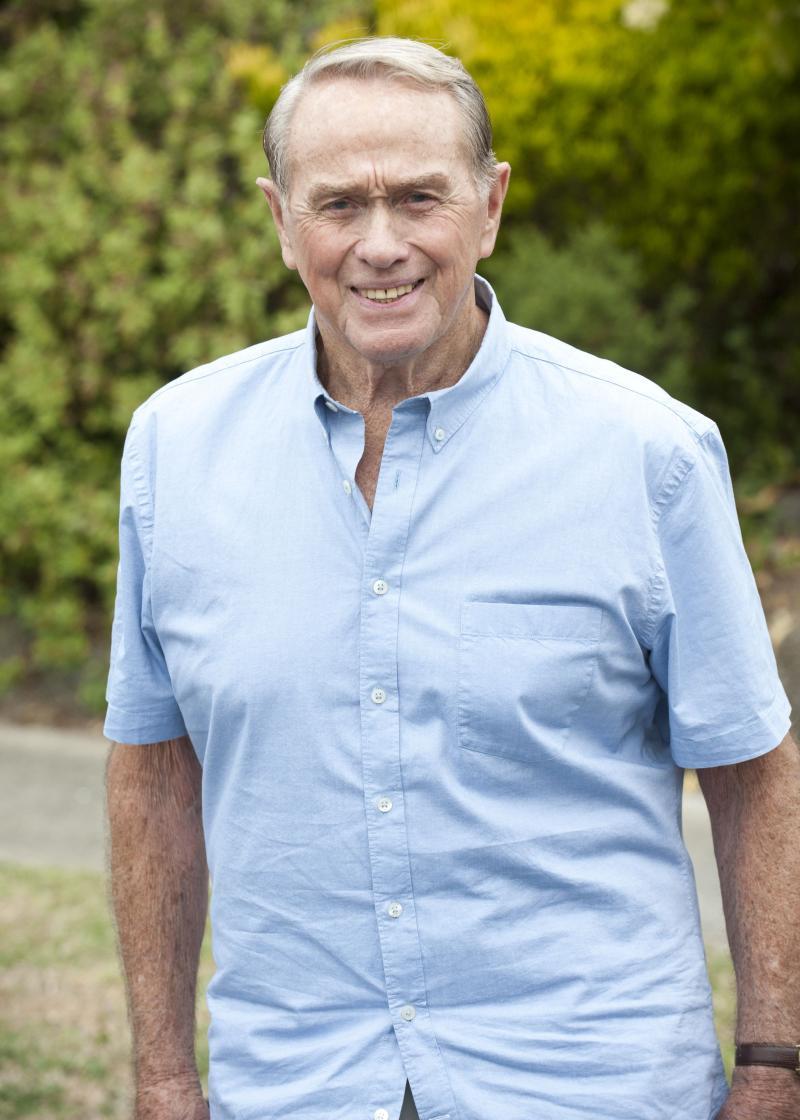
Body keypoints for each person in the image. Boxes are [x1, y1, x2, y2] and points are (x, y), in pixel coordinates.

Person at [103, 36, 799, 1120]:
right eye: (338, 205)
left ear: (489, 203)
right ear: (280, 218)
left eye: (418, 197)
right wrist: (161, 1074)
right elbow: (149, 769)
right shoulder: (174, 449)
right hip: (294, 1088)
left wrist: (770, 1066)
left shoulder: (644, 453)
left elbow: (752, 773)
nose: (380, 245)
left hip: (586, 1086)